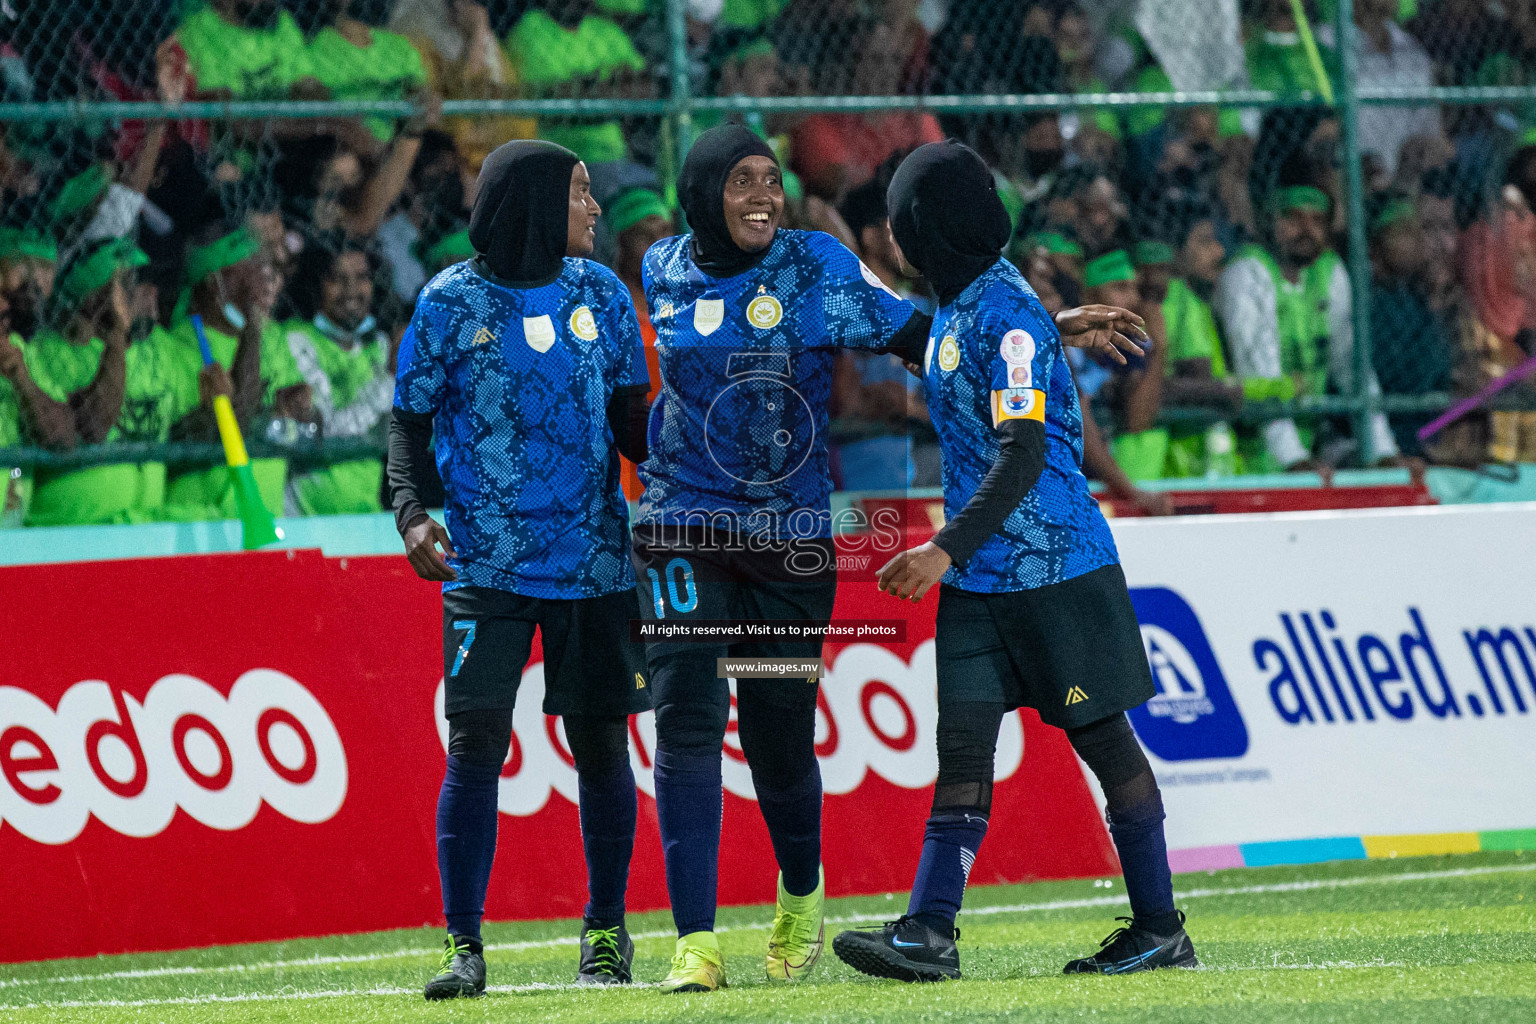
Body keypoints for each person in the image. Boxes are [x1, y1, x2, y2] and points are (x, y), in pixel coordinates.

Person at [635, 124, 1143, 994]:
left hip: (788, 545)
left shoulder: (818, 268)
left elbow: (929, 337)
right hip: (684, 532)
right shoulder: (661, 270)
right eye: (743, 183)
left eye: (772, 180)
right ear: (701, 193)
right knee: (683, 721)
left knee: (775, 735)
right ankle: (696, 942)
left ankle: (801, 891)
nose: (763, 197)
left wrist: (1045, 325)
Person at [832, 139, 1197, 982]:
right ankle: (929, 932)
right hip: (980, 578)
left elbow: (1023, 450)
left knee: (1104, 741)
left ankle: (1159, 927)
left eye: (900, 220)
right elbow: (969, 345)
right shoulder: (974, 306)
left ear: (930, 228)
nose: (892, 237)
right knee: (962, 752)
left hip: (1053, 568)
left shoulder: (1000, 311)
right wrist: (1051, 323)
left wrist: (941, 548)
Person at [388, 140, 652, 997]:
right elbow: (407, 425)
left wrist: (691, 459)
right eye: (581, 194)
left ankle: (606, 936)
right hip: (485, 563)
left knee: (603, 747)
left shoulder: (605, 298)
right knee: (473, 746)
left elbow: (632, 426)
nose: (595, 210)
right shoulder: (447, 304)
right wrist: (410, 512)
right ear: (536, 202)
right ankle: (464, 947)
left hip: (596, 564)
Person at [1215, 184, 1400, 471]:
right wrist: (1293, 460)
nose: (1306, 230)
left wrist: (1383, 450)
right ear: (1269, 222)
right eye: (1293, 218)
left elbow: (1352, 367)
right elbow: (1260, 373)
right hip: (1245, 452)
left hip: (1306, 449)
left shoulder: (1328, 271)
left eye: (1317, 221)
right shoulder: (1247, 273)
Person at [7, 239, 180, 526]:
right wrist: (117, 331)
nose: (147, 291)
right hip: (74, 529)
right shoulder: (51, 353)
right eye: (128, 283)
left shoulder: (157, 348)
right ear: (92, 297)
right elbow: (93, 426)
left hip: (147, 528)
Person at [163, 222, 304, 520]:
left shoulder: (274, 338)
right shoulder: (178, 346)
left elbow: (300, 415)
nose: (262, 283)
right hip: (202, 522)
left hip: (268, 515)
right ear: (216, 283)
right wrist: (253, 323)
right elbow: (235, 421)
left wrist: (301, 407)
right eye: (248, 273)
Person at [280, 241, 397, 514]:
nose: (352, 291)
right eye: (337, 279)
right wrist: (390, 378)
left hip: (366, 513)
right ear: (316, 285)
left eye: (362, 278)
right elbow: (328, 431)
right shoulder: (297, 340)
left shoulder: (379, 346)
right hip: (307, 517)